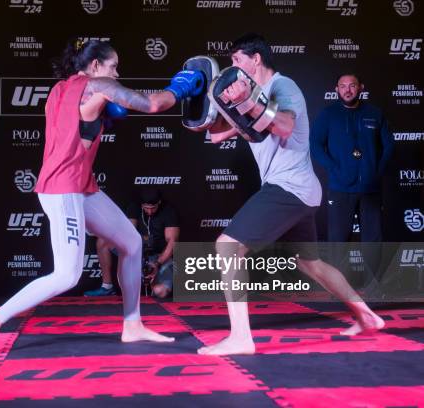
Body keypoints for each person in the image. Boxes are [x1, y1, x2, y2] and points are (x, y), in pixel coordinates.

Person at [0, 39, 203, 356]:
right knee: (67, 274)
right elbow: (152, 105)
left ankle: (132, 324)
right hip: (63, 188)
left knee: (132, 244)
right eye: (113, 66)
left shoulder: (61, 90)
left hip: (82, 186)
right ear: (95, 66)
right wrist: (181, 87)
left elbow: (77, 140)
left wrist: (96, 120)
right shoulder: (97, 83)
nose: (116, 72)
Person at [200, 33, 384, 356]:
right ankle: (367, 315)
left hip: (289, 187)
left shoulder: (282, 87)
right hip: (301, 191)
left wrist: (246, 101)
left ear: (256, 60)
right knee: (311, 263)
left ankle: (241, 337)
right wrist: (205, 104)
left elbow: (283, 125)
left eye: (237, 60)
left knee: (227, 246)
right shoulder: (254, 95)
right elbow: (216, 136)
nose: (233, 66)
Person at [311, 73, 393, 289]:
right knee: (338, 239)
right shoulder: (328, 115)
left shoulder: (375, 114)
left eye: (352, 85)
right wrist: (335, 169)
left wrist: (377, 170)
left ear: (361, 88)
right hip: (340, 188)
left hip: (370, 188)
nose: (348, 90)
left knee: (373, 240)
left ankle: (373, 287)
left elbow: (388, 146)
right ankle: (338, 288)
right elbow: (316, 146)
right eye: (343, 86)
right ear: (337, 89)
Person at [85, 189, 179, 298]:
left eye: (153, 208)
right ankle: (107, 287)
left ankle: (153, 288)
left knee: (160, 292)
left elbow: (172, 242)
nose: (149, 212)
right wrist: (137, 258)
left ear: (159, 203)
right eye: (146, 208)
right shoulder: (134, 207)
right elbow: (128, 234)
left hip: (160, 256)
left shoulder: (169, 211)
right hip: (138, 253)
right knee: (103, 241)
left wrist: (157, 263)